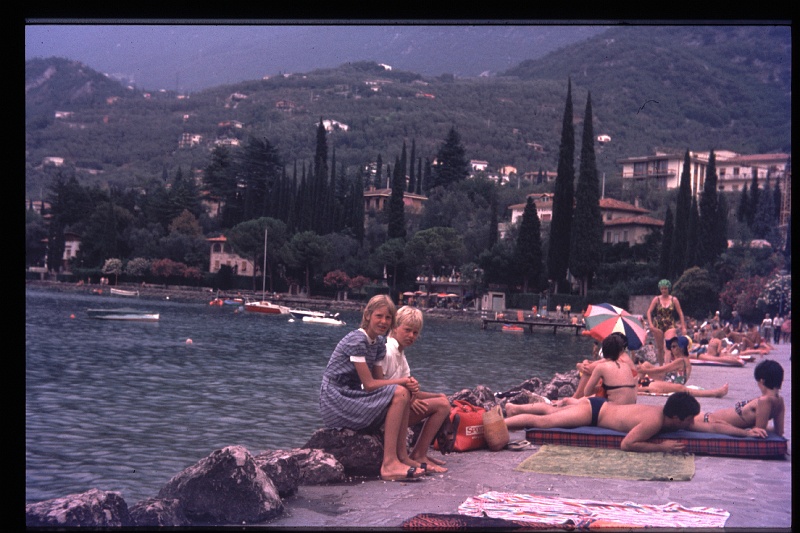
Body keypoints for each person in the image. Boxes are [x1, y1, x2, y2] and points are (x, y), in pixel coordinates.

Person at [319, 295, 426, 481]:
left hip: (352, 395)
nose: (384, 321)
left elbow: (380, 384)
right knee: (400, 390)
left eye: (388, 317)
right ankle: (389, 463)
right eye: (379, 316)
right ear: (368, 315)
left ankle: (402, 457)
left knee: (402, 393)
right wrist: (401, 382)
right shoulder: (357, 340)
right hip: (335, 397)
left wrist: (407, 385)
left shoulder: (377, 345)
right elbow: (369, 385)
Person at [375, 306, 451, 473]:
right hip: (384, 413)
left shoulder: (401, 355)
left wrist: (437, 395)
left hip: (396, 406)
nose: (411, 336)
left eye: (415, 333)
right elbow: (379, 386)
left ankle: (419, 453)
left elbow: (410, 390)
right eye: (407, 330)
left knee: (443, 403)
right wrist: (410, 397)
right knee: (441, 405)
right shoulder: (387, 351)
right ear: (394, 328)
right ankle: (409, 456)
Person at [505, 392, 703, 453]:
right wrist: (662, 448)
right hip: (593, 413)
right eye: (689, 419)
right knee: (544, 422)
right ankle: (502, 423)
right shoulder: (654, 421)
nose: (692, 423)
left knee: (552, 411)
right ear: (677, 419)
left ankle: (514, 408)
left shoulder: (662, 414)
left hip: (597, 407)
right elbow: (627, 444)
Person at [510, 332, 638, 417]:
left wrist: (583, 367)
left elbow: (588, 383)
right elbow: (591, 366)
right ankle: (519, 410)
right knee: (564, 404)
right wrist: (582, 366)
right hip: (612, 405)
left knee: (560, 408)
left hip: (608, 410)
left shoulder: (615, 363)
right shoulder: (623, 363)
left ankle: (517, 410)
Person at [692, 359, 784, 437]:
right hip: (710, 418)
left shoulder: (764, 400)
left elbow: (759, 431)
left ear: (762, 380)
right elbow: (779, 431)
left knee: (685, 419)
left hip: (711, 421)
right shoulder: (779, 400)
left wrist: (751, 430)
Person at [636, 336, 729, 398]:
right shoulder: (680, 360)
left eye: (674, 346)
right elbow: (664, 371)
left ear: (681, 348)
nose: (671, 349)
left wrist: (645, 370)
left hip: (674, 385)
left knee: (655, 384)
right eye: (671, 347)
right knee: (646, 364)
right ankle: (635, 384)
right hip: (667, 381)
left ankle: (715, 392)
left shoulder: (681, 361)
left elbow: (663, 369)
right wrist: (645, 369)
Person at [646, 279, 686, 366]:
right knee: (660, 348)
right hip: (658, 324)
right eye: (662, 289)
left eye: (665, 289)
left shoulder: (674, 299)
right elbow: (649, 311)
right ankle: (661, 366)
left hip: (670, 324)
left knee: (668, 346)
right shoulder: (656, 299)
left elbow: (680, 313)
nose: (664, 290)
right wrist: (651, 324)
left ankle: (667, 366)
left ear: (669, 289)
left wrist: (683, 327)